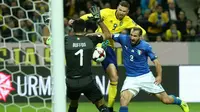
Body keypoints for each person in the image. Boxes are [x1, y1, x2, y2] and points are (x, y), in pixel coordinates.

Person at [69, 1, 146, 111]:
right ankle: (73, 102)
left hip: (108, 45)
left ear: (127, 12)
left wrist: (135, 37)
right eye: (120, 10)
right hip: (96, 40)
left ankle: (109, 108)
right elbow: (89, 16)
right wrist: (77, 21)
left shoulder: (128, 21)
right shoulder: (106, 12)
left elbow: (142, 31)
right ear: (117, 9)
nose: (121, 13)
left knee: (114, 77)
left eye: (124, 11)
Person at [109, 27, 189, 112]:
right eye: (131, 35)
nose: (132, 38)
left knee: (166, 100)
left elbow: (156, 62)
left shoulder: (145, 46)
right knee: (123, 99)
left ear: (140, 37)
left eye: (135, 36)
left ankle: (180, 102)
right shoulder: (124, 39)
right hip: (131, 78)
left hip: (146, 76)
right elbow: (108, 35)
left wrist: (159, 76)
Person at [45, 17, 111, 112]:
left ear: (72, 29)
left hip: (72, 82)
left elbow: (46, 40)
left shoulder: (65, 40)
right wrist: (99, 21)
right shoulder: (91, 39)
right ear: (84, 29)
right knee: (101, 105)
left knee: (73, 103)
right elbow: (108, 35)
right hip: (87, 81)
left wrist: (47, 25)